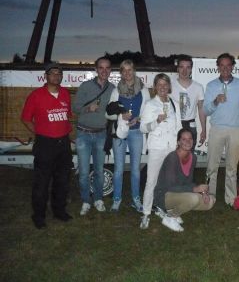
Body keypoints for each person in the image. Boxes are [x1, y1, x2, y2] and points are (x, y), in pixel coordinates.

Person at [21, 63, 73, 229]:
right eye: (53, 73)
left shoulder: (65, 93)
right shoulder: (36, 95)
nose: (56, 76)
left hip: (63, 144)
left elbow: (66, 116)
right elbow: (25, 118)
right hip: (45, 144)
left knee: (62, 180)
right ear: (46, 76)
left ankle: (59, 211)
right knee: (41, 183)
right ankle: (39, 216)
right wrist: (40, 132)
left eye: (59, 73)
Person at [203, 53, 239, 206]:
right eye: (221, 65)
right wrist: (215, 101)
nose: (225, 68)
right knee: (212, 166)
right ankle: (209, 197)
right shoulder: (211, 85)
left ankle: (231, 199)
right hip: (217, 129)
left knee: (231, 167)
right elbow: (206, 110)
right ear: (218, 67)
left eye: (228, 65)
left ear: (232, 66)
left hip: (236, 130)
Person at [105, 59, 150, 212]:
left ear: (134, 70)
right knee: (118, 169)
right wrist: (120, 116)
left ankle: (136, 199)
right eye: (124, 70)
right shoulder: (116, 90)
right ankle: (117, 199)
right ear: (121, 73)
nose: (127, 73)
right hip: (120, 133)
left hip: (136, 132)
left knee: (136, 169)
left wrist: (139, 118)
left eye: (129, 70)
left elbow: (148, 112)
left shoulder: (143, 90)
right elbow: (108, 112)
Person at [139, 73, 182, 229]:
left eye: (165, 84)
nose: (163, 87)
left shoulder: (174, 103)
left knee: (170, 182)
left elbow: (178, 126)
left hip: (171, 148)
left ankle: (169, 211)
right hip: (157, 147)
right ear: (155, 87)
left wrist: (179, 145)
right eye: (160, 85)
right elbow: (143, 127)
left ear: (169, 87)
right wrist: (157, 120)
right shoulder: (150, 104)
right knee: (151, 182)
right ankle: (145, 213)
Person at [73, 56, 114, 215]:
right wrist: (87, 108)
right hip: (83, 134)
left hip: (101, 135)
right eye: (101, 68)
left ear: (110, 70)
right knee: (83, 172)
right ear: (96, 70)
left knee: (99, 170)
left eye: (107, 68)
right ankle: (85, 201)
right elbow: (75, 108)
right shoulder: (85, 86)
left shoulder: (112, 89)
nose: (104, 71)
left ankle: (98, 199)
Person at [154, 129, 216, 232]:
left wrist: (203, 192)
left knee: (210, 201)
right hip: (164, 195)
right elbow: (170, 186)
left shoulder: (193, 157)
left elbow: (189, 182)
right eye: (184, 139)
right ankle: (170, 217)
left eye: (190, 139)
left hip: (180, 193)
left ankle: (173, 210)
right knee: (193, 199)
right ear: (178, 142)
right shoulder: (172, 158)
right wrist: (195, 189)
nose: (188, 141)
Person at [170, 55, 206, 151]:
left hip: (190, 125)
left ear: (191, 69)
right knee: (174, 155)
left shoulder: (198, 87)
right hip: (173, 124)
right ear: (177, 69)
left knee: (189, 156)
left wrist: (204, 129)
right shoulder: (169, 86)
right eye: (182, 67)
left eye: (188, 67)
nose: (184, 71)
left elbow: (201, 109)